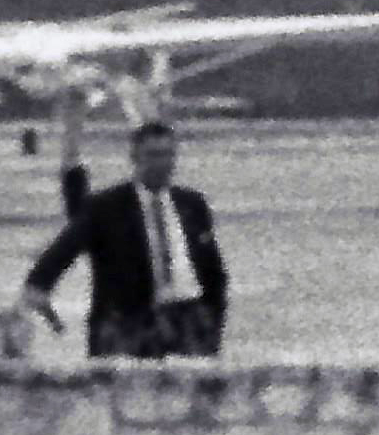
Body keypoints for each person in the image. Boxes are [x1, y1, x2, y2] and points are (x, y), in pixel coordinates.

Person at [21, 121, 230, 359]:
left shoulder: (192, 204)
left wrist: (212, 318)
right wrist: (39, 286)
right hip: (129, 323)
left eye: (169, 155)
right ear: (134, 156)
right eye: (153, 155)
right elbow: (63, 249)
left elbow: (213, 269)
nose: (162, 164)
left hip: (188, 321)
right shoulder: (107, 207)